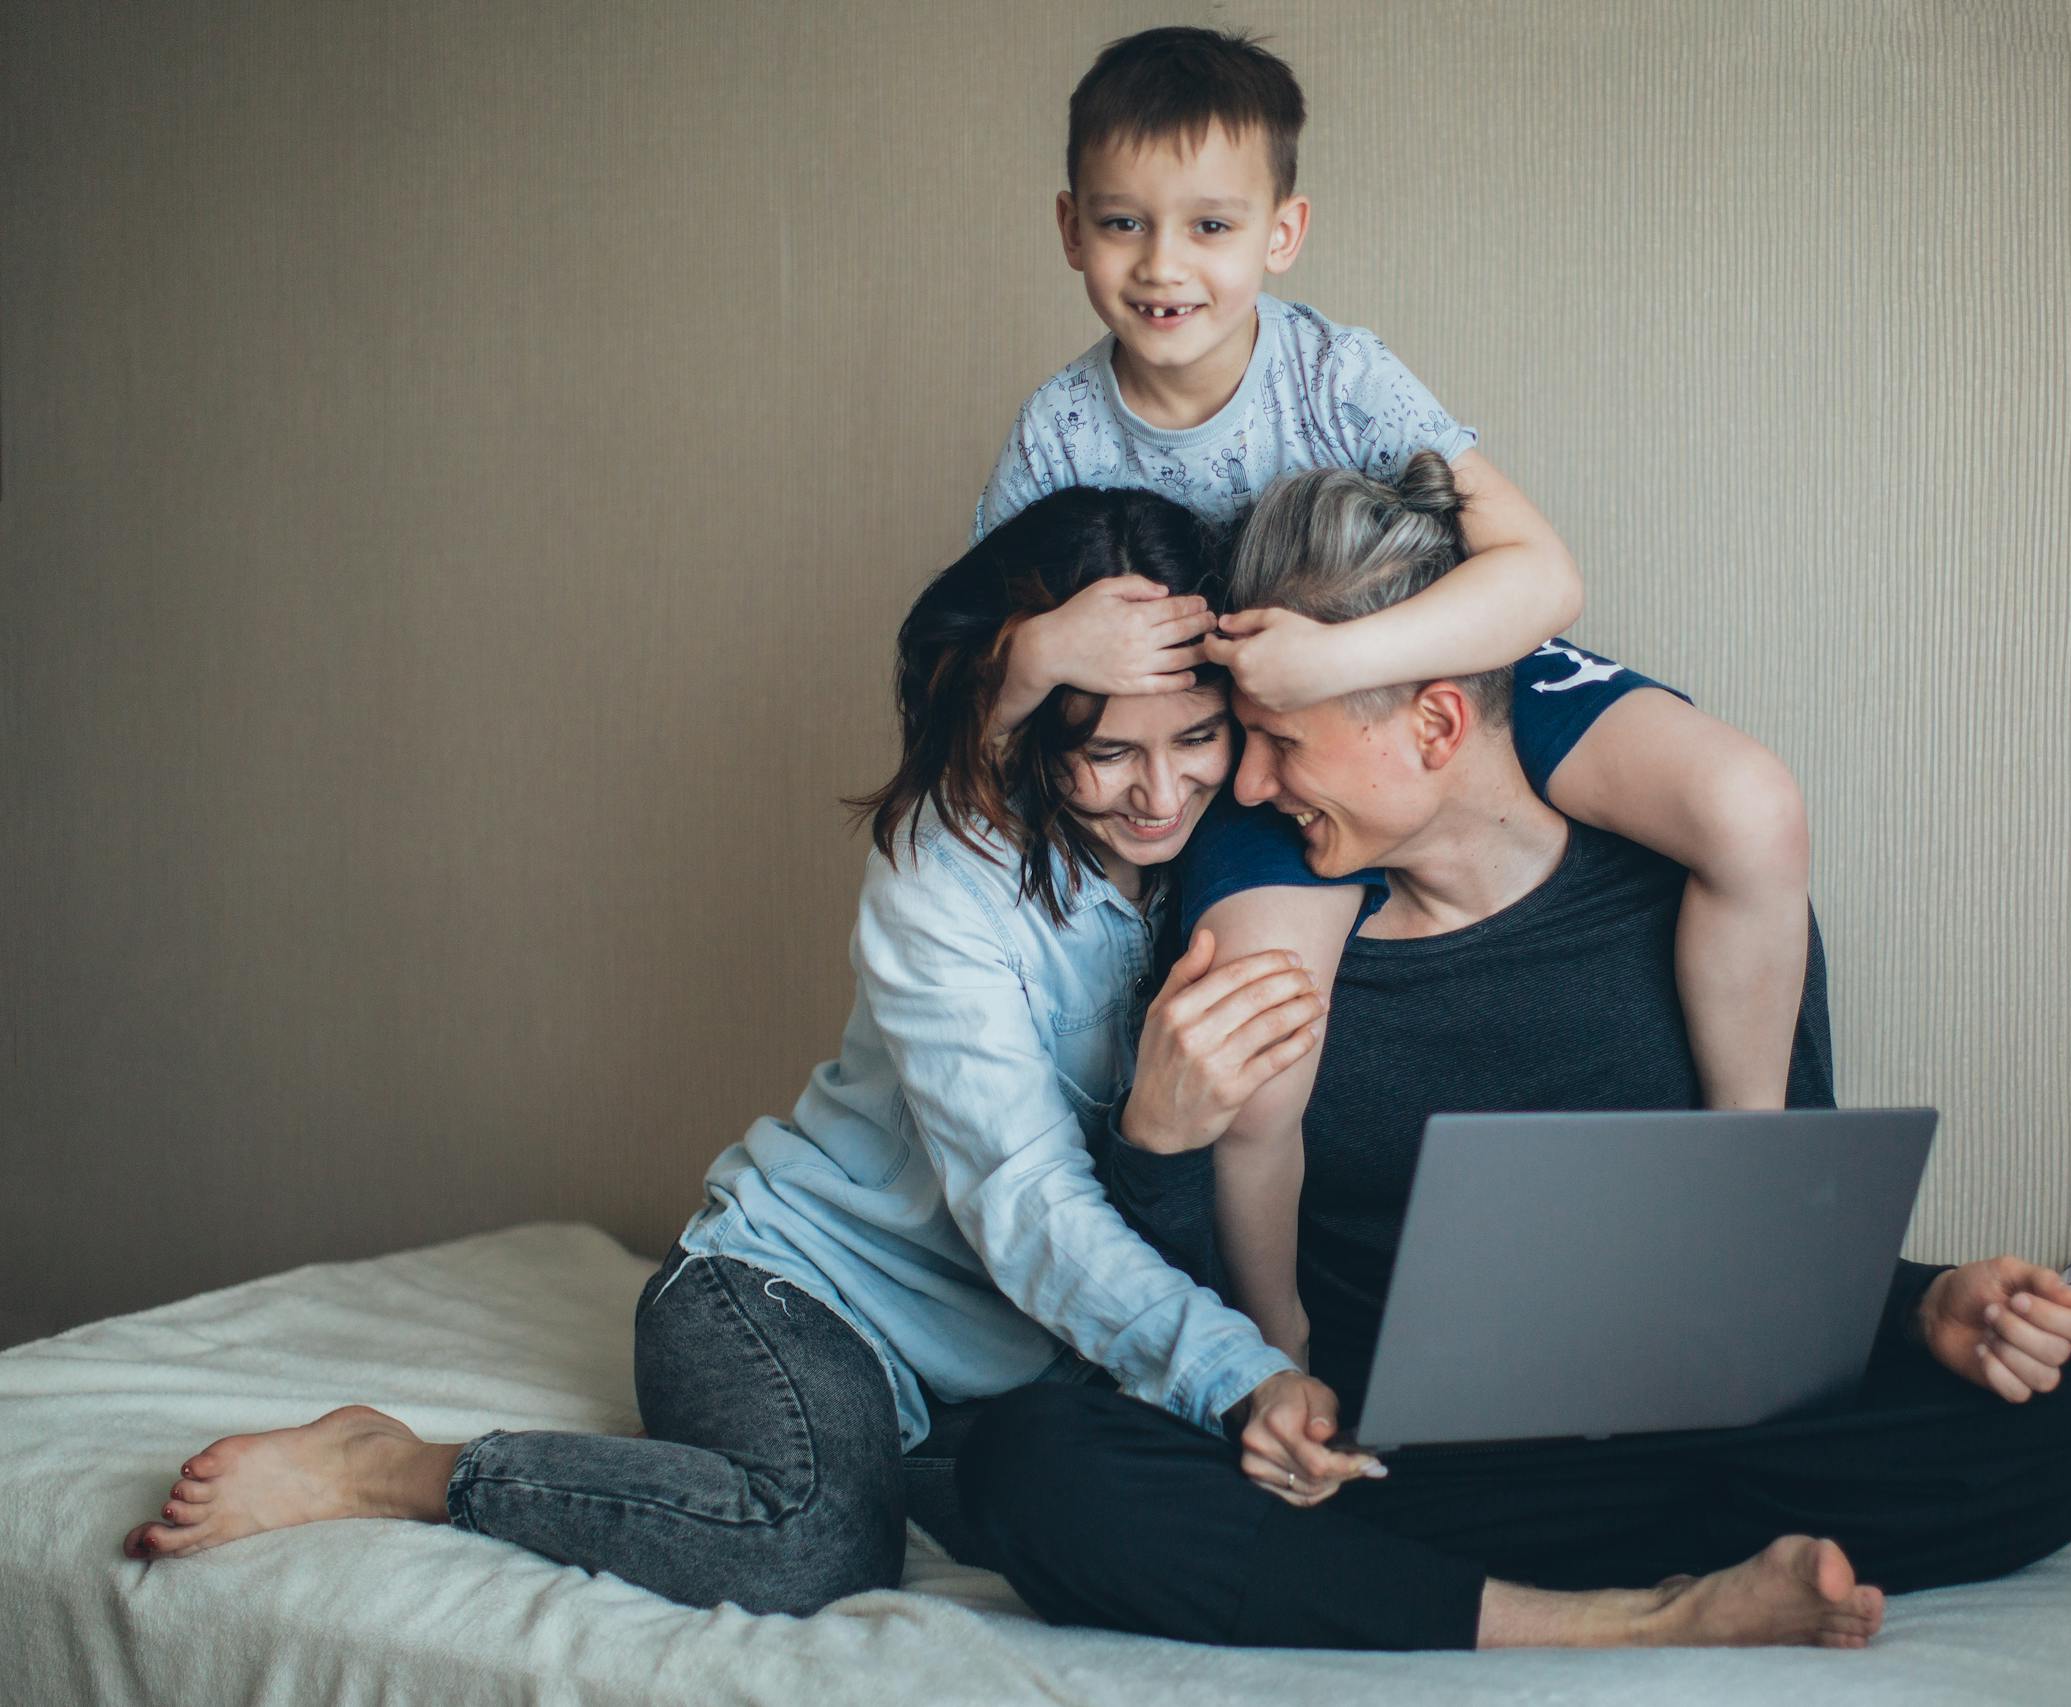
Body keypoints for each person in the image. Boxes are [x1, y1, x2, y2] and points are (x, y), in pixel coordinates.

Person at [951, 461, 2071, 1653]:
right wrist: (1154, 1140)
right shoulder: (1263, 933)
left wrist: (1920, 1309)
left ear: (1433, 721)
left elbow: (1759, 1245)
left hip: (1689, 1441)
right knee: (1033, 1468)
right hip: (1392, 1463)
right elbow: (1181, 1316)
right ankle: (1637, 1615)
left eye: (1276, 742)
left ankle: (1435, 1595)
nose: (1242, 785)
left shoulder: (1695, 907)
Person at [117, 489, 1333, 1614]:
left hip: (1003, 1371)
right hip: (790, 1295)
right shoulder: (946, 871)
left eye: (1196, 740)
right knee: (812, 1541)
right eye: (1106, 752)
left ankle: (893, 1464)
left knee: (1150, 1509)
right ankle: (397, 1466)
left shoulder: (1229, 862)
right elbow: (1026, 1203)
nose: (1159, 793)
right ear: (1028, 737)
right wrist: (1234, 1369)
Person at [983, 23, 1821, 1374]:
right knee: (1263, 1033)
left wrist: (1345, 661)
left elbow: (1542, 574)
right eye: (1125, 224)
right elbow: (978, 670)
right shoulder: (1058, 435)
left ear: (1282, 231)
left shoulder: (1341, 375)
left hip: (1426, 670)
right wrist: (1049, 645)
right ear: (1071, 229)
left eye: (1209, 223)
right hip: (1258, 747)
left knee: (1752, 806)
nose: (1163, 264)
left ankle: (1747, 1167)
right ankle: (1280, 1347)